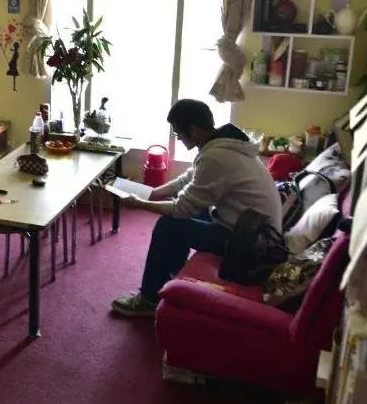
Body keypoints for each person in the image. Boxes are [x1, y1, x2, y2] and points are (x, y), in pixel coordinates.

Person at [110, 99, 282, 317]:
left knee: (168, 226)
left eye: (178, 133)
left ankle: (149, 298)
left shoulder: (217, 156)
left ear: (192, 130)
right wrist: (151, 193)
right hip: (251, 230)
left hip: (250, 245)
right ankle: (169, 275)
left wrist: (141, 204)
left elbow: (181, 209)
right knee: (191, 213)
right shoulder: (223, 144)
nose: (178, 138)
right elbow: (187, 179)